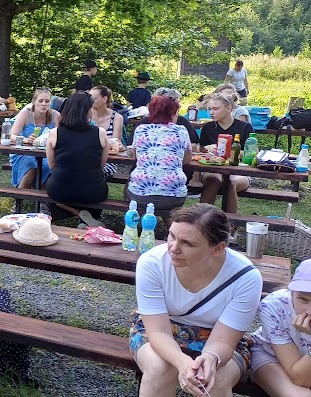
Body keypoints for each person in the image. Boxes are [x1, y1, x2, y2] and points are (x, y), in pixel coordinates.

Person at [130, 203, 261, 397]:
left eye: (187, 243)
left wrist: (211, 357)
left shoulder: (245, 277)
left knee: (215, 380)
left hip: (219, 339)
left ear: (217, 248)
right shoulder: (152, 263)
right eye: (172, 235)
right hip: (163, 330)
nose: (173, 248)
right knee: (159, 369)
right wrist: (182, 362)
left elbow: (224, 341)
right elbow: (157, 331)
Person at [45, 91, 108, 226]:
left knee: (50, 185)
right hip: (93, 191)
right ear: (87, 111)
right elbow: (101, 164)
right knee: (92, 186)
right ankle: (88, 217)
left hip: (60, 189)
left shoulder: (54, 133)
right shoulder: (100, 133)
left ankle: (76, 214)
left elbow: (52, 165)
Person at [250, 259, 311, 397]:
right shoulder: (274, 306)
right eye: (303, 299)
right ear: (292, 292)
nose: (309, 311)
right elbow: (301, 378)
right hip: (270, 354)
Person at [127, 96, 192, 213]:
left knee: (129, 185)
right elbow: (187, 159)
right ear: (173, 113)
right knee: (168, 208)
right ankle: (168, 222)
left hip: (140, 195)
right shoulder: (181, 130)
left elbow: (136, 157)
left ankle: (136, 220)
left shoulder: (141, 129)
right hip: (174, 196)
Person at [197, 92, 253, 214]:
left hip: (240, 171)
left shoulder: (245, 127)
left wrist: (227, 150)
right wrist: (207, 149)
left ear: (229, 108)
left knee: (231, 182)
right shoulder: (207, 127)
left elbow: (251, 154)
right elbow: (201, 151)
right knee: (214, 180)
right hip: (212, 169)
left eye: (215, 109)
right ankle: (199, 219)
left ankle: (230, 222)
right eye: (210, 109)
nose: (211, 112)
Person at [9, 88, 59, 190]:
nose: (44, 104)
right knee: (31, 168)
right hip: (24, 152)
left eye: (47, 101)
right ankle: (19, 198)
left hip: (46, 153)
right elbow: (11, 136)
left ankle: (42, 198)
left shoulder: (56, 116)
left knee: (50, 169)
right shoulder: (25, 114)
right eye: (40, 101)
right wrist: (25, 140)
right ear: (34, 102)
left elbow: (61, 137)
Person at [89, 85, 123, 179]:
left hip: (109, 161)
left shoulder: (117, 117)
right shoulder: (87, 115)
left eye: (94, 99)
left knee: (92, 173)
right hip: (87, 158)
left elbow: (115, 143)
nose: (90, 101)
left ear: (104, 99)